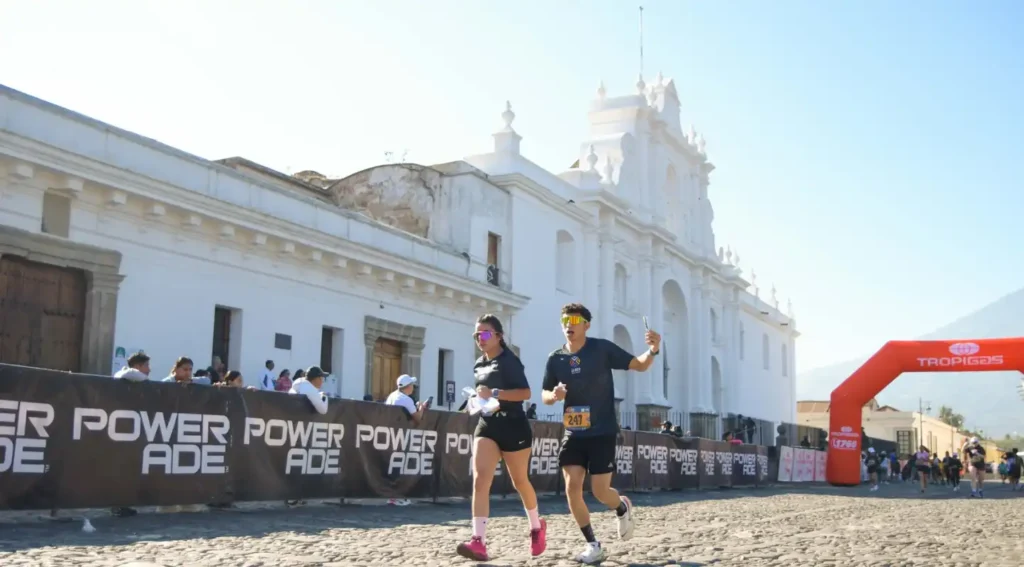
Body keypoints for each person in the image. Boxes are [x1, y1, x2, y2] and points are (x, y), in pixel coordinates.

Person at [541, 303, 661, 565]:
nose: (568, 325)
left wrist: (653, 350)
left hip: (602, 431)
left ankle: (621, 507)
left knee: (600, 491)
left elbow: (639, 365)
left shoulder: (602, 349)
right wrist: (554, 395)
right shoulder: (555, 358)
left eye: (574, 320)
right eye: (564, 320)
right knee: (572, 488)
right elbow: (545, 395)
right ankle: (593, 545)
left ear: (586, 324)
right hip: (573, 432)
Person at [456, 314, 547, 561]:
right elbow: (484, 395)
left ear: (498, 336)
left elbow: (525, 393)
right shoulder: (478, 364)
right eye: (476, 335)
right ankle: (478, 541)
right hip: (487, 425)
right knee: (480, 479)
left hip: (514, 426)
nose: (480, 339)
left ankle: (537, 527)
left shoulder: (509, 361)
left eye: (485, 334)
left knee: (520, 482)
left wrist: (495, 392)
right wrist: (475, 401)